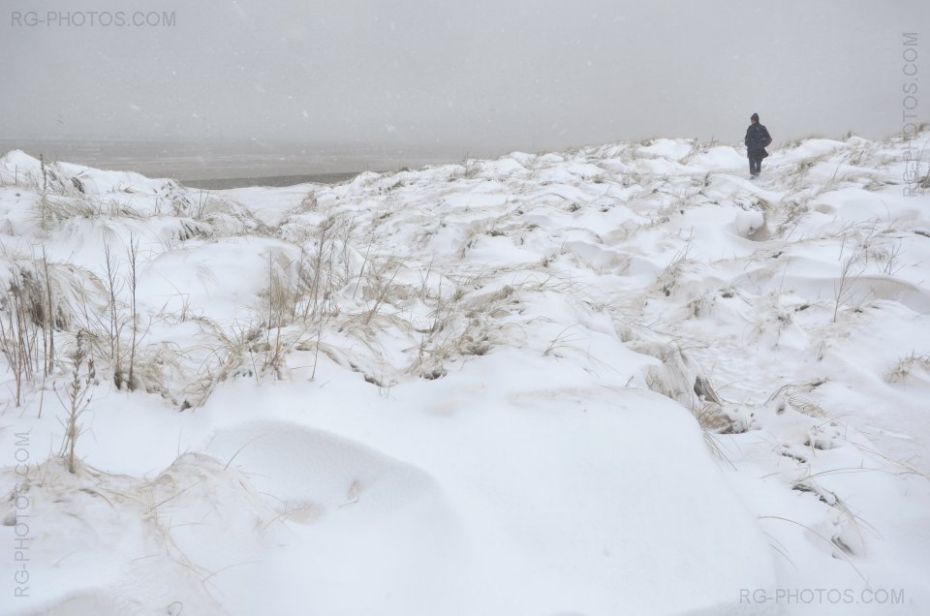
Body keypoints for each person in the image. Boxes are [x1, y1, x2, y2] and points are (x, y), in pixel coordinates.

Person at [744, 113, 772, 178]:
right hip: (753, 149)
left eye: (752, 120)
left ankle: (756, 176)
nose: (751, 121)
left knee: (756, 162)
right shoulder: (751, 128)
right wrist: (747, 142)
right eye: (751, 120)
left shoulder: (761, 128)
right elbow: (746, 137)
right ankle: (754, 176)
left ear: (755, 120)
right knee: (754, 162)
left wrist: (762, 144)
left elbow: (769, 138)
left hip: (757, 149)